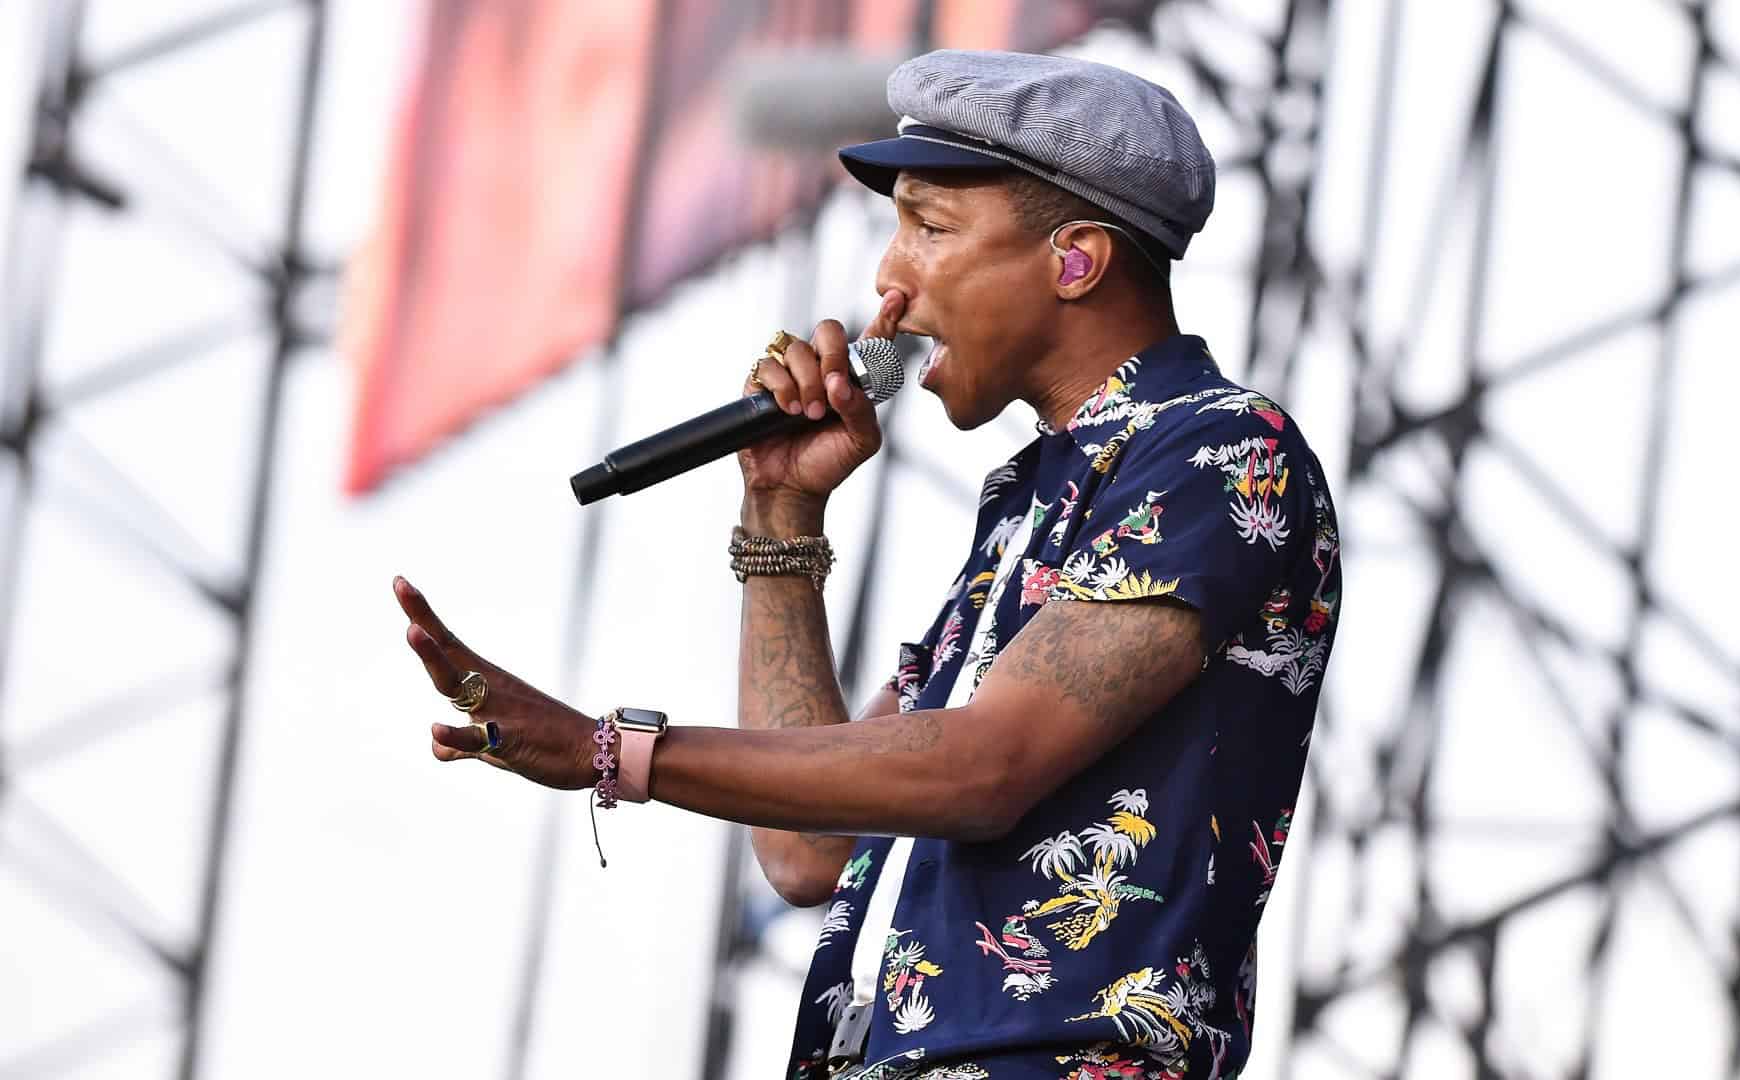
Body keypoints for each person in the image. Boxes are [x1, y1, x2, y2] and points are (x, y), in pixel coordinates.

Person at [394, 49, 1341, 1080]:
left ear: (1075, 262)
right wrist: (781, 516)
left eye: (930, 228)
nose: (889, 282)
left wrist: (610, 750)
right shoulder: (1031, 500)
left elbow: (984, 767)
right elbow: (806, 849)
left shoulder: (1218, 452)